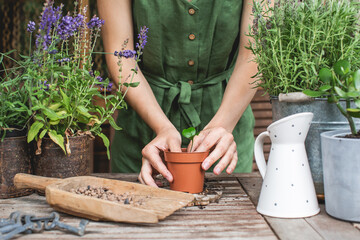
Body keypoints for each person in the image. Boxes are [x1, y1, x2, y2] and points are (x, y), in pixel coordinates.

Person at [97, 0, 258, 187]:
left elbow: (254, 54)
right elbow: (121, 56)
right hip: (141, 130)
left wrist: (222, 126)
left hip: (226, 131)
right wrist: (162, 127)